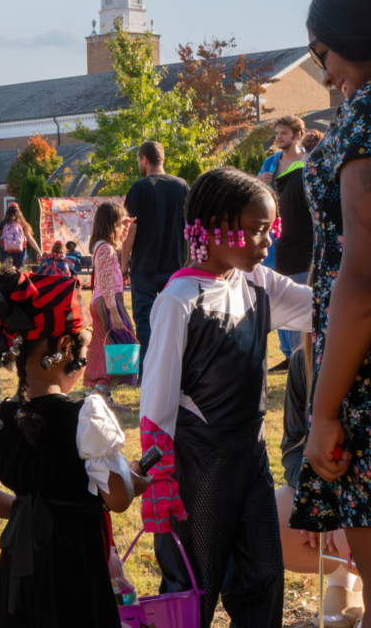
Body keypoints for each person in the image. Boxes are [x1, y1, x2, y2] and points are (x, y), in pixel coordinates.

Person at [139, 167, 312, 627]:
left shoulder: (260, 284)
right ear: (214, 227)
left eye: (269, 230)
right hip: (199, 465)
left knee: (263, 576)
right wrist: (159, 478)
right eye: (257, 230)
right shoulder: (178, 299)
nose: (266, 243)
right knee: (195, 586)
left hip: (250, 456)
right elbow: (156, 397)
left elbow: (323, 307)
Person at [0, 267, 145, 626]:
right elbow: (119, 499)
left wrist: (32, 512)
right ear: (64, 348)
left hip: (17, 573)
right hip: (77, 565)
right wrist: (135, 477)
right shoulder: (85, 416)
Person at [290, 0, 371, 619]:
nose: (325, 75)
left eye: (324, 54)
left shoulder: (367, 117)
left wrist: (322, 412)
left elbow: (362, 278)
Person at [277, 341, 364, 627]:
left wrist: (351, 515)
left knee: (356, 531)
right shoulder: (304, 359)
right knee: (268, 518)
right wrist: (321, 499)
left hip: (364, 495)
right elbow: (292, 448)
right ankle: (342, 583)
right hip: (336, 490)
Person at [120, 141, 188, 382]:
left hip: (145, 266)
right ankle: (177, 368)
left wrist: (123, 263)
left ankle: (148, 372)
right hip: (176, 265)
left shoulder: (139, 187)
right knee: (176, 319)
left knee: (144, 319)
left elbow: (131, 229)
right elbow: (189, 226)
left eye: (138, 160)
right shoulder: (182, 186)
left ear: (144, 160)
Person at [257, 115, 310, 371]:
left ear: (297, 135)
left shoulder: (308, 161)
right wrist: (259, 183)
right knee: (276, 295)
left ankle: (302, 351)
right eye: (277, 133)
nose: (279, 138)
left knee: (299, 292)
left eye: (284, 133)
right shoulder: (270, 163)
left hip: (301, 237)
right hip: (274, 241)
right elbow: (254, 197)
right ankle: (288, 353)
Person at [83, 202, 137, 414]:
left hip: (104, 300)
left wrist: (128, 225)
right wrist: (114, 312)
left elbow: (108, 275)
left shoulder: (101, 245)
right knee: (118, 346)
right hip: (108, 303)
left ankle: (100, 393)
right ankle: (101, 394)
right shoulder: (105, 248)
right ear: (111, 225)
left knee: (106, 347)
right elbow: (105, 281)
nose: (123, 230)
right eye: (120, 225)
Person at [0, 202, 40, 268]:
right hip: (20, 255)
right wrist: (39, 252)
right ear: (19, 212)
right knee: (16, 272)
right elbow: (30, 239)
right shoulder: (22, 224)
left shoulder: (2, 223)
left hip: (5, 255)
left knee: (7, 272)